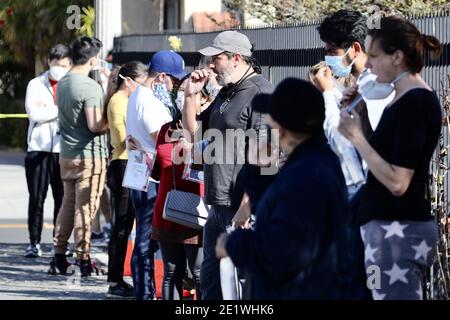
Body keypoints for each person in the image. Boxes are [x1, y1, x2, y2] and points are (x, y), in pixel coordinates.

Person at [215, 78, 355, 299]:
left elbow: (282, 252)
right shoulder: (311, 162)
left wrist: (233, 244)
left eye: (271, 120)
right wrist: (257, 173)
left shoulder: (307, 175)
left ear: (281, 129)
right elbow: (274, 213)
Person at [338, 16, 443, 300]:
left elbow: (398, 181)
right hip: (387, 230)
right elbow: (384, 157)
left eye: (373, 56)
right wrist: (358, 117)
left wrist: (357, 138)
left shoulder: (416, 102)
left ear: (397, 56)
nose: (367, 64)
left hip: (398, 232)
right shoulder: (402, 99)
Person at [182, 31, 274, 300]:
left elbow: (266, 158)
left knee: (244, 288)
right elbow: (192, 136)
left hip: (243, 210)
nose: (210, 65)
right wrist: (190, 95)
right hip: (218, 206)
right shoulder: (227, 92)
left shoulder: (260, 91)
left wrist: (246, 208)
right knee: (211, 284)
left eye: (216, 58)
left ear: (235, 58)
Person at [126, 50, 186, 300]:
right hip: (151, 178)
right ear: (162, 77)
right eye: (174, 79)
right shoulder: (149, 103)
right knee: (146, 241)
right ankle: (145, 293)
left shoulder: (142, 95)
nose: (175, 86)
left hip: (144, 174)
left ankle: (145, 291)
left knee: (145, 238)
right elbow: (162, 143)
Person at [51, 36, 108, 277]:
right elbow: (95, 125)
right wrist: (113, 123)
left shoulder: (62, 82)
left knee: (68, 205)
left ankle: (59, 255)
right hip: (89, 156)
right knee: (86, 208)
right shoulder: (89, 87)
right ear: (93, 60)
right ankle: (84, 258)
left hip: (67, 153)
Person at [151, 82, 205, 298]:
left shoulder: (209, 130)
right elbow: (157, 171)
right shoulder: (166, 129)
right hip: (167, 212)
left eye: (191, 94)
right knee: (171, 273)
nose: (185, 97)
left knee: (200, 273)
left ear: (203, 101)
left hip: (196, 213)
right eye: (182, 92)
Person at [104, 61, 148, 298]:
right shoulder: (118, 101)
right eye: (140, 83)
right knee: (122, 224)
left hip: (133, 163)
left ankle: (125, 276)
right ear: (129, 81)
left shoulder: (129, 100)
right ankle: (114, 279)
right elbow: (123, 138)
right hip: (123, 163)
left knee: (130, 222)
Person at [24, 44, 72, 257]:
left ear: (70, 64)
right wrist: (59, 110)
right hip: (39, 148)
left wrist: (48, 109)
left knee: (62, 199)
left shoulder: (72, 85)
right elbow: (35, 114)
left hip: (63, 150)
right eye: (55, 63)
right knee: (37, 197)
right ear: (49, 62)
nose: (58, 68)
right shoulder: (36, 84)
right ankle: (33, 242)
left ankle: (59, 243)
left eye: (63, 64)